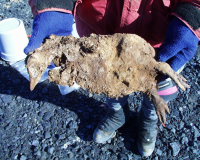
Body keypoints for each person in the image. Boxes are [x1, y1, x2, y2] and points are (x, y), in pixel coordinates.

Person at [25, 0, 200, 157]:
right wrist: (54, 3)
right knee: (108, 82)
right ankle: (118, 113)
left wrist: (193, 12)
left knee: (160, 83)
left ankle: (149, 118)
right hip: (100, 37)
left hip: (165, 41)